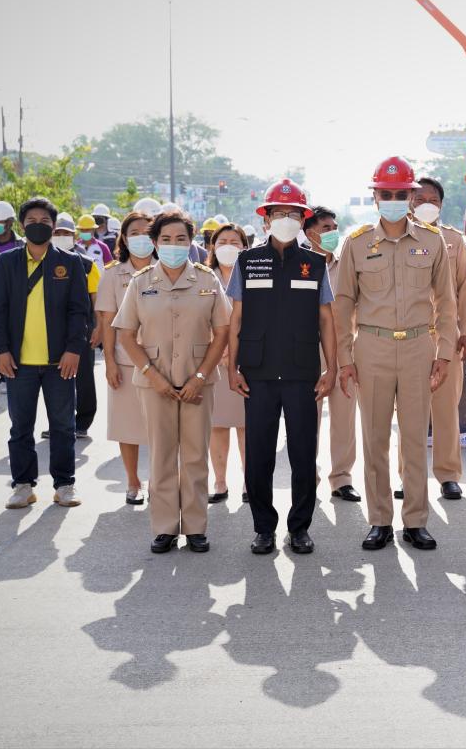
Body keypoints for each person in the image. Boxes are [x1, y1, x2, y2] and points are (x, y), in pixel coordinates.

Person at [335, 156, 458, 552]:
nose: (392, 199)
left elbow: (447, 301)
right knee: (373, 438)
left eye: (399, 194)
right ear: (375, 198)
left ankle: (416, 521)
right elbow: (343, 304)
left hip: (419, 346)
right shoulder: (355, 243)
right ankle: (379, 521)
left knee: (412, 438)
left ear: (409, 196)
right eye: (385, 194)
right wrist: (344, 358)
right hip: (371, 346)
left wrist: (444, 352)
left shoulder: (432, 241)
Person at [227, 179, 337, 556]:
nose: (285, 219)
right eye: (279, 214)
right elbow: (235, 319)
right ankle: (263, 529)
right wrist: (232, 366)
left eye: (293, 214)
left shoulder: (316, 263)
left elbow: (326, 320)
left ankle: (300, 528)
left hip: (302, 371)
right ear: (266, 220)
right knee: (258, 455)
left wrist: (331, 368)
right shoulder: (247, 261)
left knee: (303, 454)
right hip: (256, 372)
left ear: (303, 220)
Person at [114, 211, 229, 553]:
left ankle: (195, 527)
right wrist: (152, 375)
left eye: (181, 239)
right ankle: (164, 526)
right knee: (163, 455)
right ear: (154, 243)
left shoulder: (207, 280)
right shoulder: (141, 282)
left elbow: (221, 333)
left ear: (191, 242)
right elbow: (126, 333)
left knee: (195, 455)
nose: (174, 245)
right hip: (155, 384)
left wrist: (199, 376)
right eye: (166, 240)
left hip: (199, 383)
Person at [0, 197, 90, 509]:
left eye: (44, 221)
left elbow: (79, 311)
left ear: (53, 226)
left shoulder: (69, 263)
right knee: (21, 427)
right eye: (31, 220)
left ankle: (64, 484)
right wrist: (1, 350)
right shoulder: (8, 263)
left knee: (63, 426)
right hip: (19, 364)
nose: (38, 225)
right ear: (21, 225)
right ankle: (22, 485)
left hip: (60, 362)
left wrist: (74, 350)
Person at [399, 176, 466, 501]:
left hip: (445, 337)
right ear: (410, 202)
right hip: (408, 337)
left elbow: (465, 291)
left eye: (433, 199)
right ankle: (408, 475)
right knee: (409, 412)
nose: (427, 204)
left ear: (441, 205)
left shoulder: (455, 240)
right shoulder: (395, 237)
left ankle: (448, 475)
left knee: (445, 410)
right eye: (420, 198)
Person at [94, 211, 156, 504]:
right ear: (124, 238)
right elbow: (107, 322)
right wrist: (109, 362)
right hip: (125, 361)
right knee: (127, 426)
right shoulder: (112, 274)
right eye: (134, 233)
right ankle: (132, 481)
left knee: (162, 427)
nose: (141, 238)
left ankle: (160, 480)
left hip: (163, 363)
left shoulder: (169, 269)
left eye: (147, 232)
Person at [301, 205, 360, 503]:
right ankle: (307, 475)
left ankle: (342, 478)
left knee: (344, 416)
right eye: (326, 228)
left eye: (335, 227)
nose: (333, 233)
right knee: (307, 417)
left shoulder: (346, 263)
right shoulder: (299, 264)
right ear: (309, 232)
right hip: (308, 351)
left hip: (344, 349)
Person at [47, 214, 101, 442]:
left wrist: (98, 328)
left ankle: (82, 421)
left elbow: (96, 300)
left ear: (74, 236)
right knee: (55, 380)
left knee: (84, 378)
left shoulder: (87, 265)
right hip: (52, 330)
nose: (61, 237)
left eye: (66, 234)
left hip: (82, 329)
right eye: (57, 233)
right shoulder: (42, 262)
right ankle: (60, 423)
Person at [205, 223, 249, 504]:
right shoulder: (203, 277)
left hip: (247, 362)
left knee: (247, 426)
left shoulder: (254, 276)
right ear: (213, 246)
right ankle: (220, 483)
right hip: (213, 361)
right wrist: (218, 350)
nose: (229, 245)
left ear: (245, 247)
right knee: (217, 426)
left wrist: (236, 353)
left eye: (235, 241)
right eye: (223, 241)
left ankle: (249, 482)